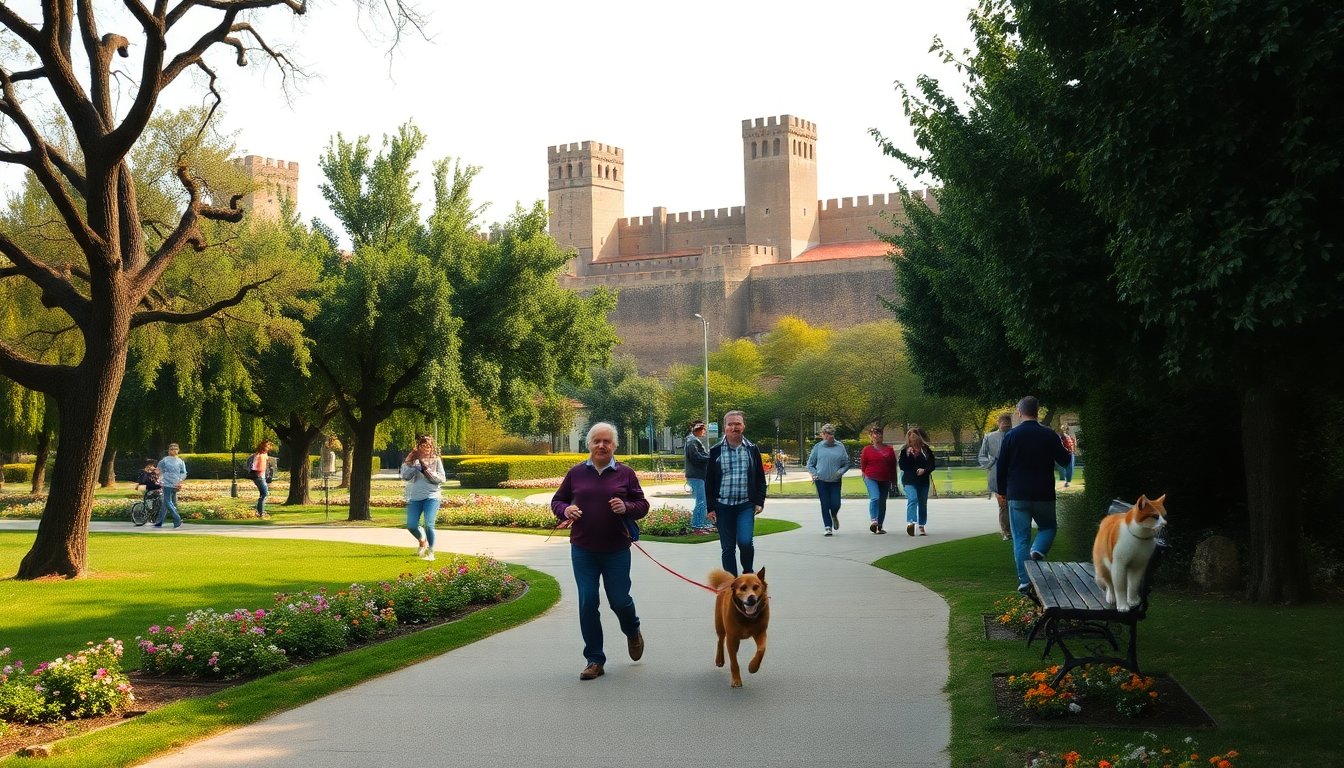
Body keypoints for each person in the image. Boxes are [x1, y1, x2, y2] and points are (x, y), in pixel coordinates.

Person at [551, 422, 649, 681]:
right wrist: (565, 511)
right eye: (597, 441)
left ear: (615, 446)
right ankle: (594, 659)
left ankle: (632, 629)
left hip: (616, 549)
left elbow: (642, 504)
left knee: (619, 600)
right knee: (587, 602)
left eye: (607, 441)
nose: (602, 445)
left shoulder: (625, 473)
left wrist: (626, 507)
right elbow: (557, 501)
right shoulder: (576, 473)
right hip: (583, 549)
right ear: (589, 444)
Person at [997, 396, 1073, 592]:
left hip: (1018, 494)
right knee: (1048, 527)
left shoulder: (1011, 436)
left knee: (1020, 538)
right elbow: (1064, 460)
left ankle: (1025, 580)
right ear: (1038, 412)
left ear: (1020, 412)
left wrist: (1001, 492)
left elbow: (1002, 467)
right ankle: (1037, 551)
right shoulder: (1048, 435)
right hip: (1043, 493)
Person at [705, 410, 767, 574]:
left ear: (743, 426)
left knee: (746, 542)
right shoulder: (716, 451)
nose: (734, 427)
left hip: (745, 505)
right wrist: (710, 507)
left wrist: (759, 501)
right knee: (728, 547)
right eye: (730, 424)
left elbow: (760, 477)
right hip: (722, 505)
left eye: (737, 424)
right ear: (724, 427)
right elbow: (709, 481)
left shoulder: (751, 449)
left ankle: (748, 574)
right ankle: (731, 584)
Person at [400, 434, 445, 562]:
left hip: (432, 497)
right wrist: (412, 465)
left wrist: (427, 470)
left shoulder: (436, 460)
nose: (426, 449)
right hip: (415, 497)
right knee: (411, 525)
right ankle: (422, 540)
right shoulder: (413, 461)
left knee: (428, 524)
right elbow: (405, 476)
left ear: (431, 448)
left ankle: (431, 552)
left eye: (428, 446)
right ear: (419, 447)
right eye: (423, 446)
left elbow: (442, 479)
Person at [806, 424, 850, 536]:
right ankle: (828, 527)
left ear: (832, 435)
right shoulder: (818, 447)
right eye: (824, 434)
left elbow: (846, 463)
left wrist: (841, 472)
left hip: (835, 481)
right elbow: (810, 464)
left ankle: (834, 514)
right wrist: (815, 474)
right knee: (825, 503)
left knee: (836, 503)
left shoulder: (840, 447)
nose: (826, 437)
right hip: (821, 480)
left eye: (829, 434)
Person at [978, 413, 1014, 540]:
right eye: (1003, 423)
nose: (1005, 425)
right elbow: (982, 457)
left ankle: (1013, 529)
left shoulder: (1016, 435)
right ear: (998, 423)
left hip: (1014, 476)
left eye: (1007, 424)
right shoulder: (989, 437)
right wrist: (992, 462)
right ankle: (1006, 531)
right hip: (997, 477)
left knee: (1015, 504)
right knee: (1003, 505)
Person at [898, 428, 936, 536]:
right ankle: (911, 522)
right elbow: (903, 466)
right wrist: (907, 455)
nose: (913, 442)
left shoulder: (926, 450)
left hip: (923, 480)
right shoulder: (905, 450)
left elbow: (932, 465)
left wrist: (925, 470)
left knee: (922, 504)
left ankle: (921, 525)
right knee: (913, 498)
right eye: (911, 439)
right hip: (909, 480)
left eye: (915, 438)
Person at [859, 426, 897, 534]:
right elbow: (863, 464)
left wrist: (894, 481)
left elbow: (893, 465)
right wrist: (864, 474)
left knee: (882, 502)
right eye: (873, 435)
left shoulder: (889, 449)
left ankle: (879, 526)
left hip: (885, 479)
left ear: (882, 436)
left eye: (878, 434)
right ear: (871, 437)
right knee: (875, 497)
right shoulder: (867, 449)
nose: (876, 436)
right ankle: (874, 521)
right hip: (870, 477)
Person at [684, 421, 711, 535]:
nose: (704, 432)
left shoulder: (692, 440)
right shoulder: (692, 441)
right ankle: (697, 526)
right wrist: (710, 457)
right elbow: (696, 458)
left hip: (698, 475)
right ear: (698, 430)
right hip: (696, 475)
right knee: (701, 501)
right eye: (703, 429)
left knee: (703, 501)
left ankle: (703, 523)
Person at [154, 443, 186, 528]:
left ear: (178, 450)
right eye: (172, 449)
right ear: (169, 451)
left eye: (175, 449)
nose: (174, 450)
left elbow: (184, 473)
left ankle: (164, 521)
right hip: (167, 483)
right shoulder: (165, 460)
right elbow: (159, 470)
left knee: (170, 503)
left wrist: (180, 481)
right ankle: (175, 519)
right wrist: (159, 476)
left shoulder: (180, 461)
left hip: (176, 484)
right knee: (168, 502)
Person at [246, 439, 274, 519]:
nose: (269, 447)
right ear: (265, 447)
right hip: (259, 477)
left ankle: (259, 511)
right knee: (264, 494)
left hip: (259, 477)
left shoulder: (259, 454)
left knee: (263, 494)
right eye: (268, 446)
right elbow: (258, 467)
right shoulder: (261, 455)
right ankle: (260, 512)